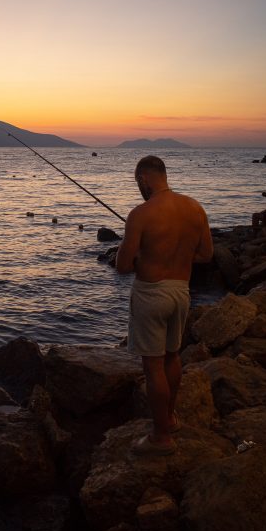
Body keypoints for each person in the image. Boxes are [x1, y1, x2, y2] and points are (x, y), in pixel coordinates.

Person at [115, 155, 213, 456]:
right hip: (181, 293)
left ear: (144, 178)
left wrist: (143, 258)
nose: (139, 188)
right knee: (172, 357)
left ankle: (160, 437)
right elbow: (206, 254)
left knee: (153, 366)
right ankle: (169, 419)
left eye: (138, 182)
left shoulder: (141, 214)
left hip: (151, 295)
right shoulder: (195, 208)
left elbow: (121, 266)